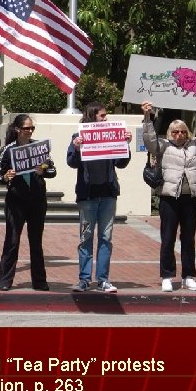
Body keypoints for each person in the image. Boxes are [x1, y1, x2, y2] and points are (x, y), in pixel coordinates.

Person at [142, 97, 196, 292]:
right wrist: (147, 116)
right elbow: (149, 139)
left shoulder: (194, 145)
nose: (179, 135)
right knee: (168, 238)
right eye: (175, 131)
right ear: (170, 133)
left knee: (189, 239)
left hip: (189, 199)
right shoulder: (163, 146)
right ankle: (167, 275)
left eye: (183, 131)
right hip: (169, 199)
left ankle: (189, 276)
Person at [66, 101, 132, 293]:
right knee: (85, 237)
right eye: (102, 115)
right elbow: (71, 162)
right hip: (88, 195)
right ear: (92, 116)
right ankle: (84, 279)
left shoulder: (112, 136)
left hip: (108, 194)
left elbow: (121, 163)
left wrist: (125, 144)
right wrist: (77, 149)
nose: (106, 118)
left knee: (105, 238)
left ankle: (103, 279)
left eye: (106, 115)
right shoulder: (78, 136)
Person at [0, 115, 56, 291]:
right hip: (16, 200)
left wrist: (42, 169)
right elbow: (1, 175)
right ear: (17, 129)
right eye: (26, 128)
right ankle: (5, 280)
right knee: (12, 240)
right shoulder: (8, 150)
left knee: (36, 241)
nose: (29, 131)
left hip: (37, 200)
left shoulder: (39, 147)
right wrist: (6, 176)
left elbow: (52, 170)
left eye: (32, 128)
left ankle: (39, 281)